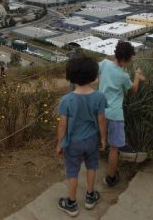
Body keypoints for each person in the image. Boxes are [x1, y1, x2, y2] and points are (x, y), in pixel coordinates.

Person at [55, 54, 107, 217]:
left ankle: (71, 203)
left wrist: (59, 144)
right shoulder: (99, 97)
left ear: (71, 76)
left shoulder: (66, 100)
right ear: (93, 75)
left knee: (72, 171)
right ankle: (90, 197)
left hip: (73, 142)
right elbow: (102, 120)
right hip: (91, 139)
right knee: (92, 166)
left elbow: (62, 124)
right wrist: (103, 138)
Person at [97, 41, 146, 188]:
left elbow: (95, 72)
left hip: (100, 111)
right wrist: (137, 76)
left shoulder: (104, 64)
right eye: (129, 60)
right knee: (114, 148)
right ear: (125, 60)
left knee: (100, 140)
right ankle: (111, 178)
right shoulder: (124, 75)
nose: (130, 63)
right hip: (115, 115)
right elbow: (134, 89)